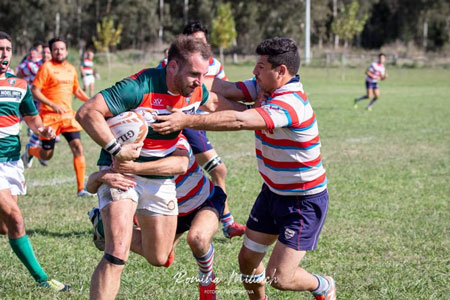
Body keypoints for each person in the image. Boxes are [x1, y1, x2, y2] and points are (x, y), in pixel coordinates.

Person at [153, 37, 336, 300]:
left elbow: (240, 120)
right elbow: (223, 87)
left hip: (302, 201)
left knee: (279, 277)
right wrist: (172, 78)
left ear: (281, 71)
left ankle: (323, 285)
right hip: (272, 194)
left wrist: (186, 120)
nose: (254, 71)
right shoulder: (265, 88)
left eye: (261, 66)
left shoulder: (290, 103)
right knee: (248, 261)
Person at [76, 35, 243, 300]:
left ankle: (102, 226)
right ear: (172, 66)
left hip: (160, 176)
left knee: (159, 256)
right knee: (116, 253)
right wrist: (117, 150)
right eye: (194, 74)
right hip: (120, 171)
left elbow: (216, 103)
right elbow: (87, 112)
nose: (199, 81)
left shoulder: (195, 91)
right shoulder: (138, 87)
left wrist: (259, 110)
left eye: (203, 74)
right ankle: (111, 233)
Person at [86, 134, 225, 299]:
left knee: (198, 238)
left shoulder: (175, 141)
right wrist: (102, 176)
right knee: (161, 259)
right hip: (170, 211)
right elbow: (92, 185)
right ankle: (104, 227)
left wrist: (134, 168)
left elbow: (179, 165)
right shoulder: (130, 152)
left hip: (204, 201)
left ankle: (207, 278)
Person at [0, 31, 71, 292]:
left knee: (4, 228)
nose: (4, 53)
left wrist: (44, 131)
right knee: (17, 219)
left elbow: (33, 120)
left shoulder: (19, 85)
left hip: (10, 162)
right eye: (0, 48)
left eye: (8, 48)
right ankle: (43, 279)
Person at [181, 21, 245, 239]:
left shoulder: (214, 64)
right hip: (185, 124)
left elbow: (223, 94)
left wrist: (246, 107)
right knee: (218, 169)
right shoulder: (173, 63)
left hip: (201, 125)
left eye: (203, 40)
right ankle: (227, 222)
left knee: (180, 174)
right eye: (196, 40)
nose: (201, 44)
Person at [21, 37, 92, 197]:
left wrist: (91, 101)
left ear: (66, 51)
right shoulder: (46, 68)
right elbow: (35, 90)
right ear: (51, 51)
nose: (59, 51)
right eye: (56, 49)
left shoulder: (72, 69)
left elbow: (77, 90)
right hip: (50, 118)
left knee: (78, 147)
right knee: (48, 155)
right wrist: (53, 105)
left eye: (62, 49)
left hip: (68, 117)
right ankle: (31, 151)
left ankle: (81, 189)